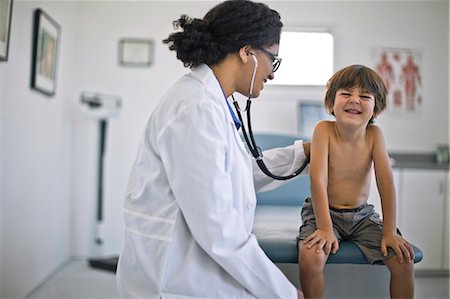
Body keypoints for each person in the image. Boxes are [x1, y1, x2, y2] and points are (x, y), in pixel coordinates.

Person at [116, 1, 309, 298]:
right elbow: (216, 226)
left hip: (193, 273)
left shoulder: (211, 100)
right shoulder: (195, 107)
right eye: (273, 59)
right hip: (175, 279)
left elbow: (237, 172)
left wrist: (303, 153)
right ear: (247, 53)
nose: (272, 73)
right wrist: (283, 291)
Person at [297, 65, 415, 299]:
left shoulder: (375, 136)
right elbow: (317, 180)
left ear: (375, 109)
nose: (355, 100)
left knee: (403, 261)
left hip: (362, 216)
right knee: (310, 259)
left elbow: (386, 182)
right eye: (346, 94)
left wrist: (390, 231)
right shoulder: (323, 130)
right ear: (331, 104)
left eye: (364, 96)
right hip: (323, 213)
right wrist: (324, 227)